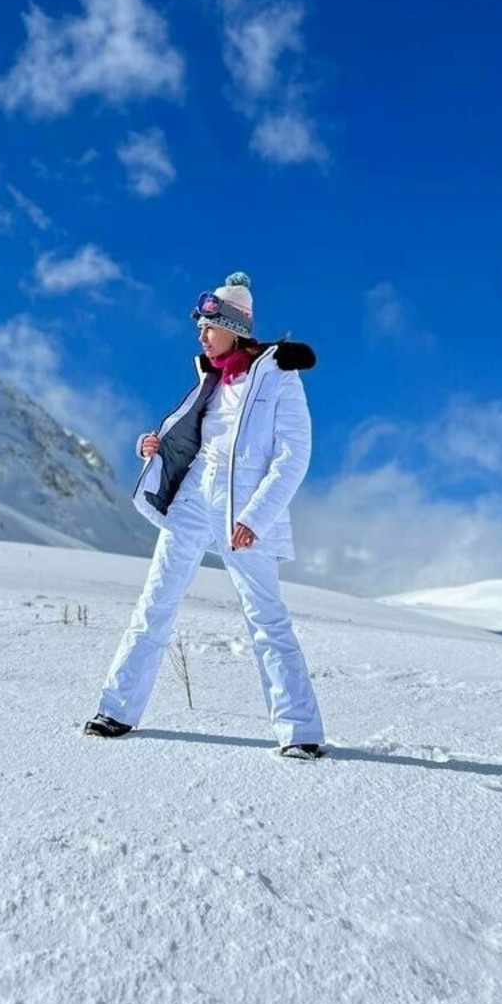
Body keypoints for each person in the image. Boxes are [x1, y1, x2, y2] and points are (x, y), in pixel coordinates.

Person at [83, 271, 326, 759]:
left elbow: (293, 455)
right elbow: (194, 439)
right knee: (156, 601)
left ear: (233, 328)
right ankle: (117, 710)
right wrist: (154, 447)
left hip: (244, 506)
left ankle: (299, 731)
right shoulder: (211, 378)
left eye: (209, 327)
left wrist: (256, 517)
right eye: (199, 327)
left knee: (265, 615)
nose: (201, 336)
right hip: (193, 497)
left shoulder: (279, 377)